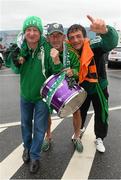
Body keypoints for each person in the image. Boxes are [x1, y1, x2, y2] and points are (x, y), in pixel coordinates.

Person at [6, 16, 64, 173]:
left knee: (39, 128)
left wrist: (57, 60)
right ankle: (27, 148)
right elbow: (15, 69)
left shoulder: (47, 49)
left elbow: (57, 73)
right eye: (28, 30)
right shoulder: (20, 49)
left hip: (42, 98)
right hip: (25, 95)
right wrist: (15, 60)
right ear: (24, 32)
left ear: (40, 33)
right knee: (25, 124)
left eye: (35, 30)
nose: (31, 33)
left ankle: (35, 156)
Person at [67, 15, 119, 153]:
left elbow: (110, 43)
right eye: (71, 37)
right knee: (80, 111)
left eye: (78, 36)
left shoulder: (94, 46)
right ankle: (80, 128)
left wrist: (106, 31)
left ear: (84, 37)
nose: (75, 40)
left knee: (101, 112)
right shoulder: (69, 52)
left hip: (98, 87)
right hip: (81, 87)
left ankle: (100, 137)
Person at [41, 23, 84, 153]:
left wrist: (73, 72)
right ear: (48, 38)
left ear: (63, 37)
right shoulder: (44, 52)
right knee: (46, 112)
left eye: (58, 35)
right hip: (52, 88)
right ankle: (48, 137)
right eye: (52, 36)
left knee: (76, 110)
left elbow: (79, 69)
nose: (55, 39)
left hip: (69, 86)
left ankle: (77, 136)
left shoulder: (70, 52)